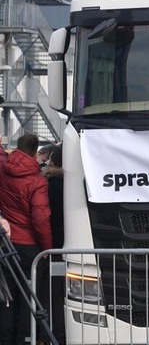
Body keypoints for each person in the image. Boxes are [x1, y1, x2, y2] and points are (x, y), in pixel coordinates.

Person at [0, 133, 52, 345]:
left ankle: (4, 339)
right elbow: (41, 219)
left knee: (6, 297)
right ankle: (23, 340)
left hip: (6, 244)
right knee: (28, 297)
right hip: (30, 247)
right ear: (34, 151)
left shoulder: (3, 169)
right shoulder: (37, 180)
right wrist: (47, 249)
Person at [44, 146, 65, 343]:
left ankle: (54, 333)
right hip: (74, 243)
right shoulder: (75, 184)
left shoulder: (49, 185)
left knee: (53, 293)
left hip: (52, 245)